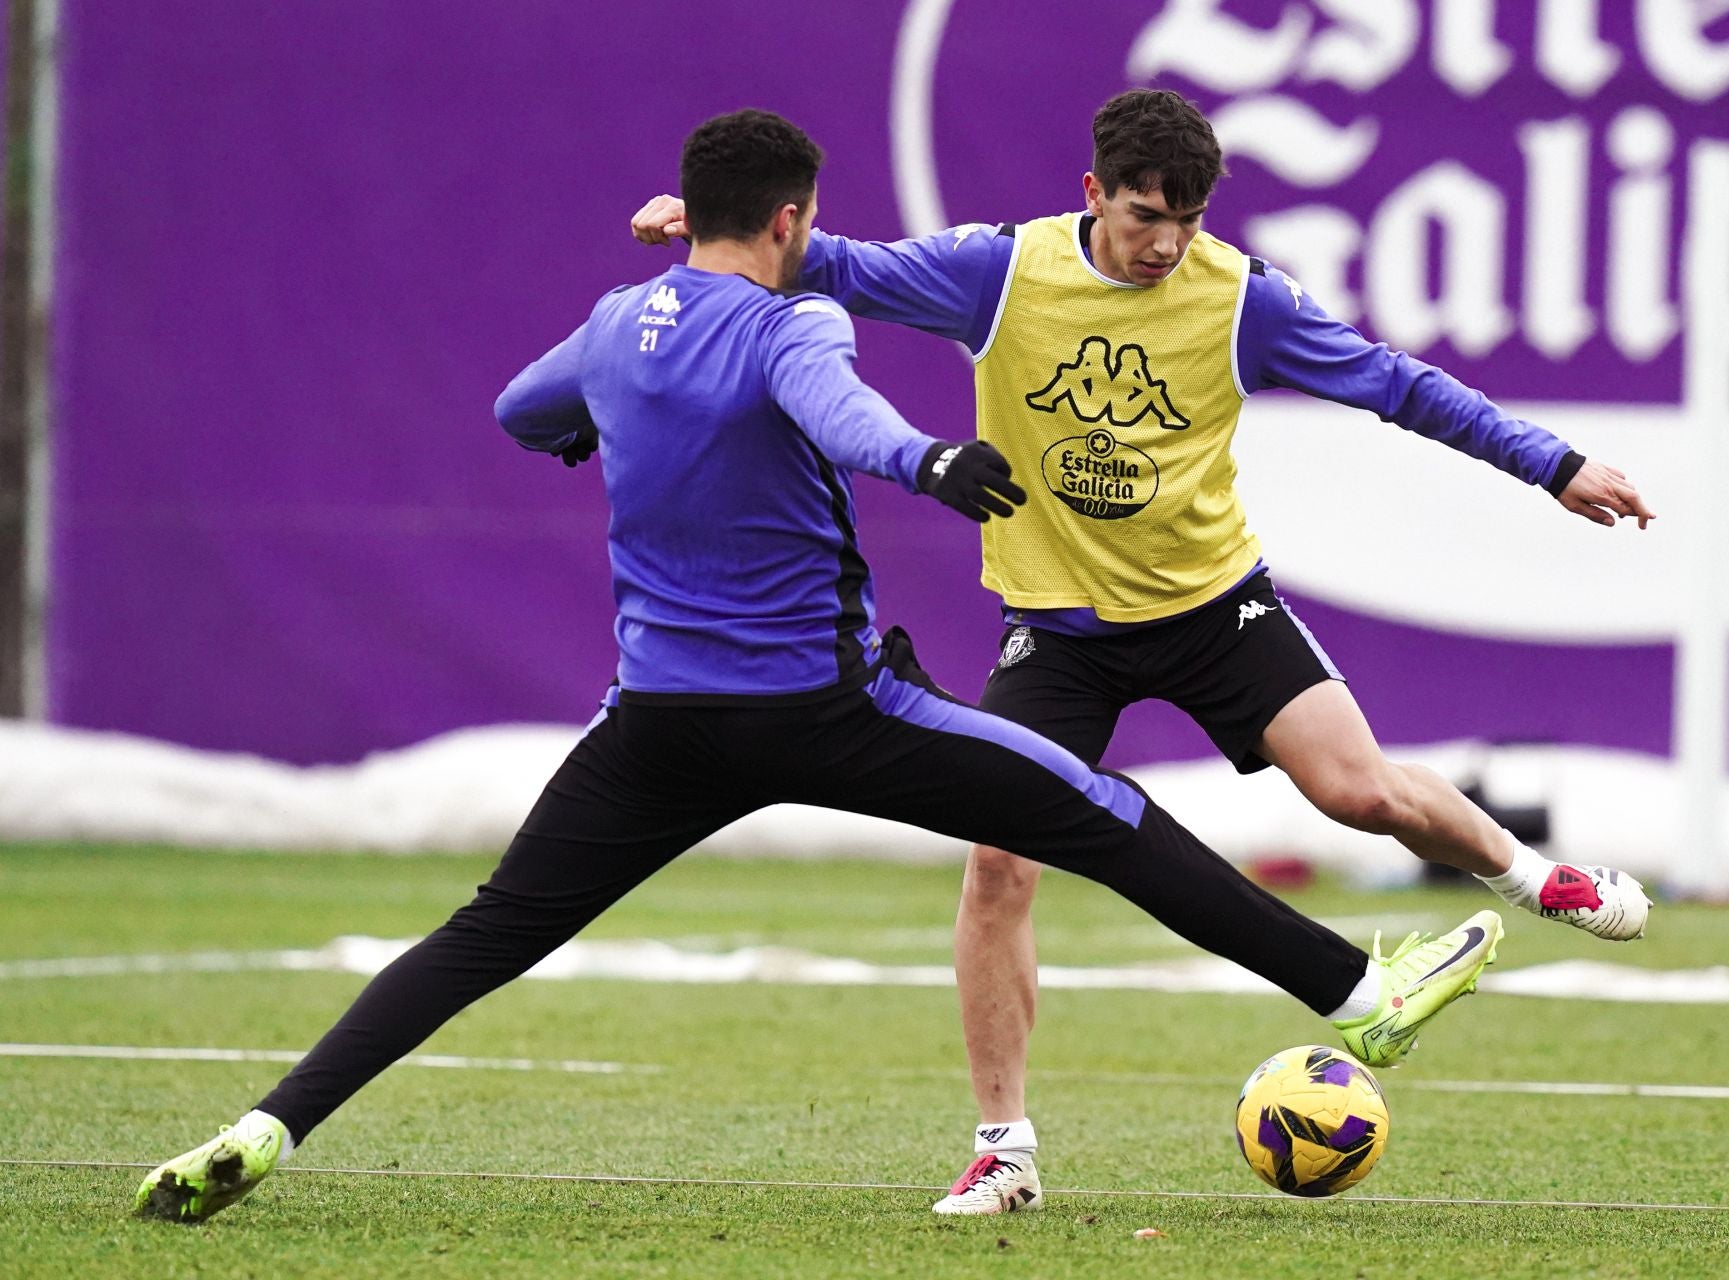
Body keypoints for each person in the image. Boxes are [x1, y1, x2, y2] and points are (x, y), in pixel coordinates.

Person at [133, 108, 1503, 1225]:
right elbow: (839, 417)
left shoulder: (619, 326)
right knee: (1106, 816)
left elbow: (516, 409)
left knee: (483, 937)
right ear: (791, 220)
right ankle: (1361, 999)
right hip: (829, 712)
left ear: (696, 207)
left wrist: (591, 428)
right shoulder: (798, 324)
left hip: (658, 725)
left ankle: (263, 1128)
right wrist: (930, 461)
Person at [629, 88, 1655, 1216]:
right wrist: (711, 229)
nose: (1165, 241)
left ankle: (1528, 874)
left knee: (1359, 793)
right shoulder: (998, 272)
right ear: (1093, 195)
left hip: (1214, 607)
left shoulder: (1240, 297)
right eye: (1141, 214)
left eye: (1187, 217)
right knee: (998, 864)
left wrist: (1551, 462)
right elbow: (839, 268)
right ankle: (1002, 1148)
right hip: (1057, 632)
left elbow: (1395, 384)